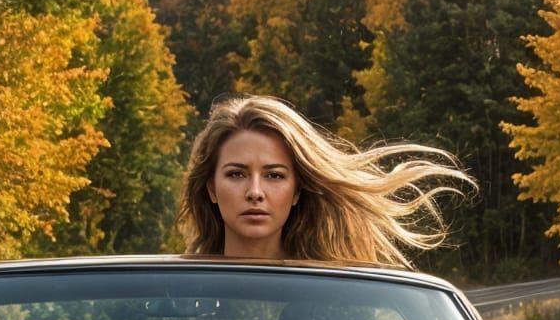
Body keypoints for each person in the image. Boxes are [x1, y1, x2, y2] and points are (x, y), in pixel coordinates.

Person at [179, 94, 473, 266]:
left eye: (274, 175)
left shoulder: (338, 296)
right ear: (211, 189)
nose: (255, 192)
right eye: (236, 174)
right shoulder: (176, 290)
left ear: (297, 191)